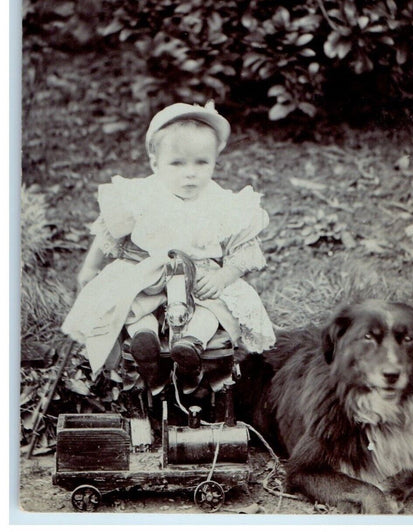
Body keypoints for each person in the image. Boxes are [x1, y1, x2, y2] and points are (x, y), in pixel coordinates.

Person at [62, 102, 276, 390]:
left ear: (215, 161)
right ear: (155, 163)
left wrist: (224, 276)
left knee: (215, 309)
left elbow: (244, 247)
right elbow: (109, 232)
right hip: (146, 273)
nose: (190, 173)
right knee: (128, 304)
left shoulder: (223, 203)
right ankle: (145, 343)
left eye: (202, 163)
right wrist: (90, 268)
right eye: (177, 163)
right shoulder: (141, 195)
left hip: (199, 278)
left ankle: (192, 346)